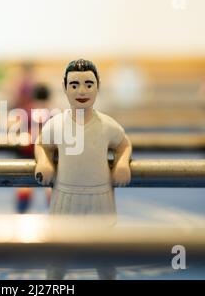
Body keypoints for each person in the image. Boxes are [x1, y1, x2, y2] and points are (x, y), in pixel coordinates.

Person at [34, 59, 132, 279]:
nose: (82, 91)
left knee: (104, 260)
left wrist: (122, 163)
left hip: (99, 197)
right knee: (58, 260)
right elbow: (41, 144)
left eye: (89, 84)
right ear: (65, 87)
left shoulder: (107, 125)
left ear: (98, 86)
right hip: (65, 196)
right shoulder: (57, 124)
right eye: (75, 85)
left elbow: (124, 144)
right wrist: (44, 162)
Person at [15, 83, 52, 213]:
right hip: (47, 155)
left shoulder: (26, 111)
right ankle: (56, 219)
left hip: (27, 153)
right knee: (51, 186)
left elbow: (15, 130)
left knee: (24, 186)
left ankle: (21, 215)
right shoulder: (53, 113)